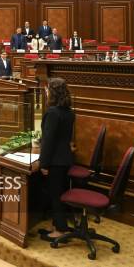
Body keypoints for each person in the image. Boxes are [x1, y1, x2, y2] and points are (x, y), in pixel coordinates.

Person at [39, 77, 75, 242]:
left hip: (55, 161)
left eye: (47, 90)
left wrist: (43, 163)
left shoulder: (52, 113)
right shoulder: (69, 111)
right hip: (65, 157)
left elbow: (49, 141)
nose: (46, 92)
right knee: (58, 193)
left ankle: (61, 230)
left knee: (55, 195)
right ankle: (56, 224)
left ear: (52, 92)